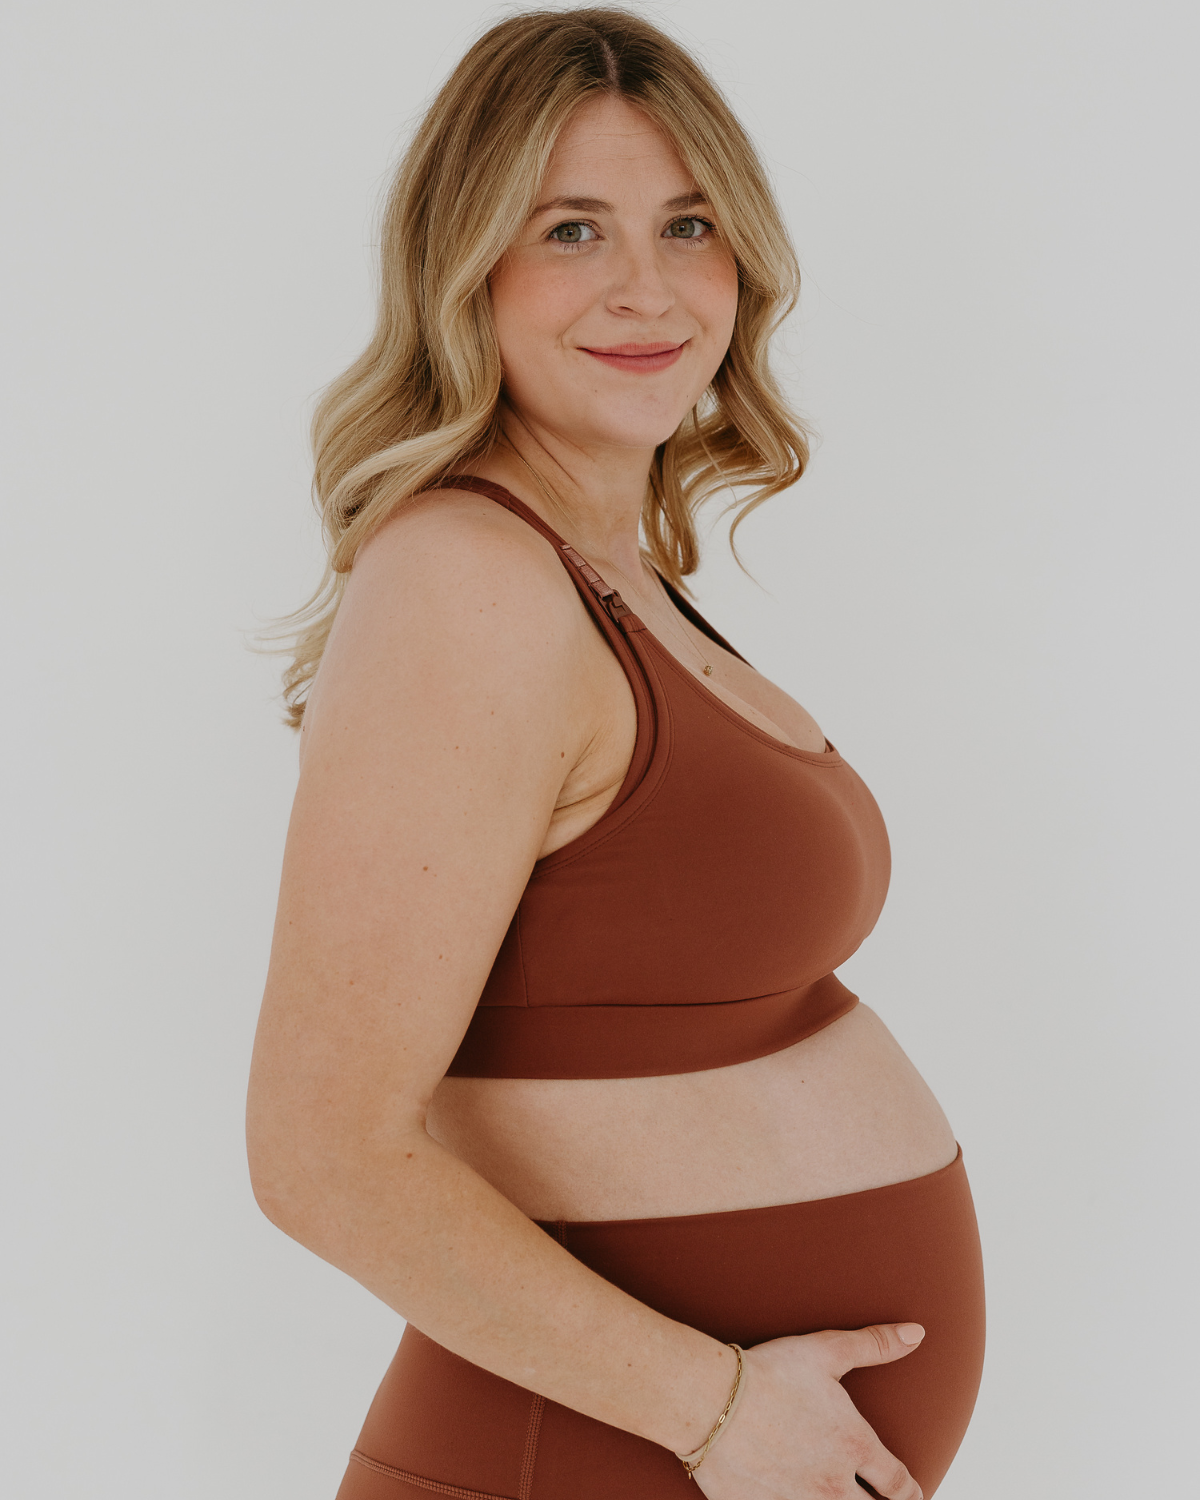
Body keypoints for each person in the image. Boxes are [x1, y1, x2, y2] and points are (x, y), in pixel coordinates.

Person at [246, 10, 985, 1499]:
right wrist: (717, 1414)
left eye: (688, 224)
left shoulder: (607, 568)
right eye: (572, 229)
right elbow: (320, 1155)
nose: (648, 288)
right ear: (467, 264)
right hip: (587, 1456)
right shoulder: (470, 578)